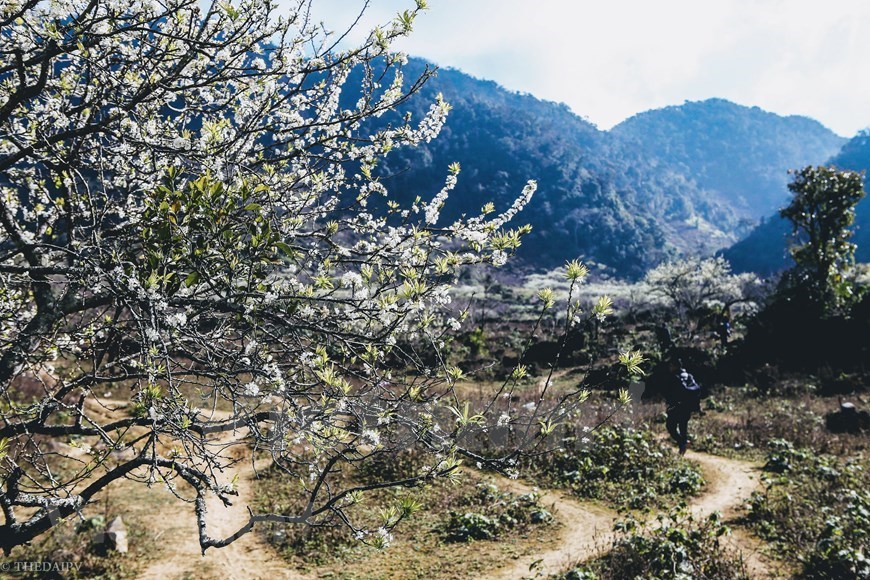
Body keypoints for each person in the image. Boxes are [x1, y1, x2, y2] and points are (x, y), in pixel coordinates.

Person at [665, 358, 702, 455]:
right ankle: (683, 448)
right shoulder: (688, 376)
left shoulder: (674, 377)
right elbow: (696, 388)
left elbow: (672, 393)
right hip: (687, 406)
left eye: (671, 365)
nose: (669, 367)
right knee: (683, 426)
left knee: (670, 426)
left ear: (674, 366)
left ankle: (682, 443)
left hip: (676, 406)